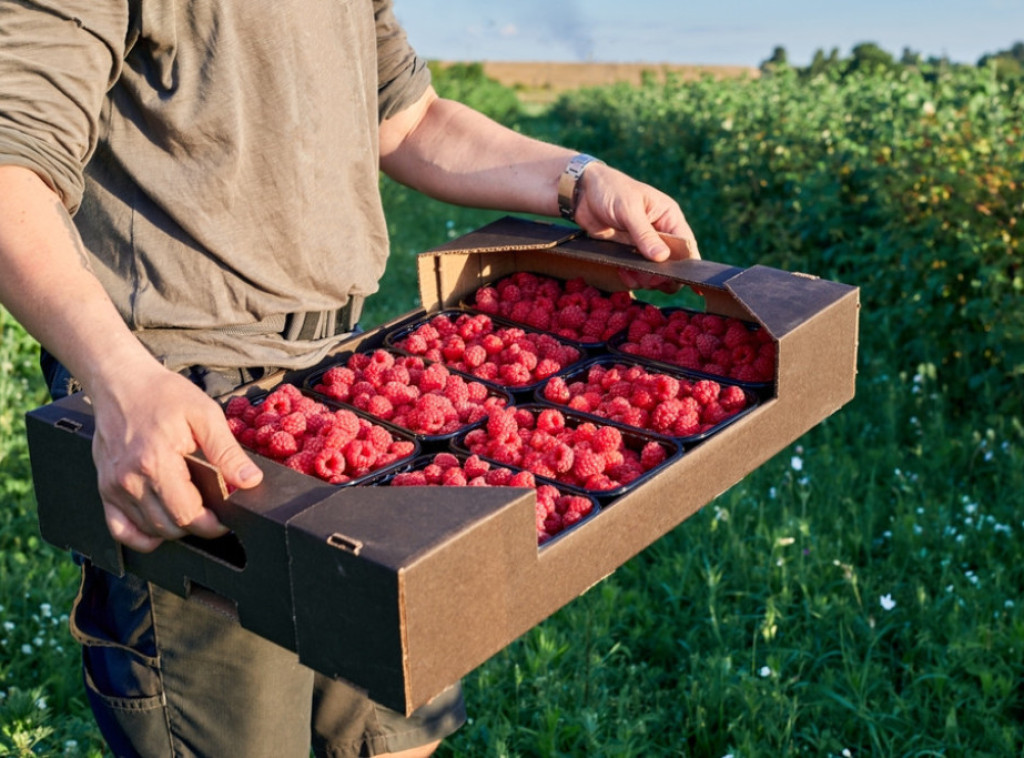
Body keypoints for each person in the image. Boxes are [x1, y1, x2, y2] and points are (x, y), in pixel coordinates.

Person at [0, 1, 699, 756]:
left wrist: (577, 179)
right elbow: (11, 167)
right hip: (190, 410)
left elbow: (408, 119)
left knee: (395, 736)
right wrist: (117, 377)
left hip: (355, 388)